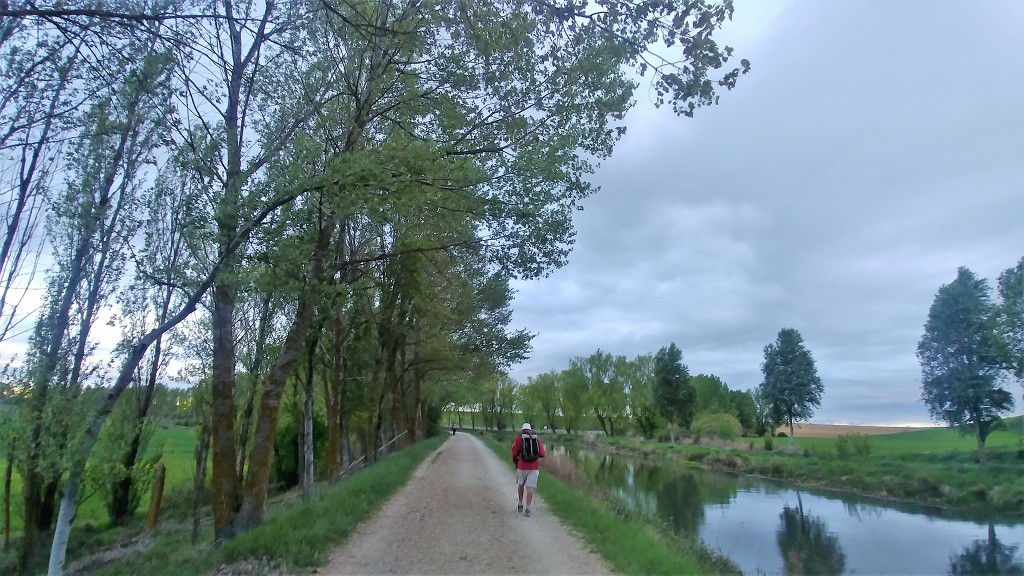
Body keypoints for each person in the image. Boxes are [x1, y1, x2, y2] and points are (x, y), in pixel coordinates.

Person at [510, 422, 545, 517]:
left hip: (521, 466)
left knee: (521, 485)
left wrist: (516, 463)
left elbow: (514, 453)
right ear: (530, 430)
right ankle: (528, 509)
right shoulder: (536, 438)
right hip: (534, 467)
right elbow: (542, 454)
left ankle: (520, 504)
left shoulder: (519, 438)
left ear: (522, 429)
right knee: (530, 488)